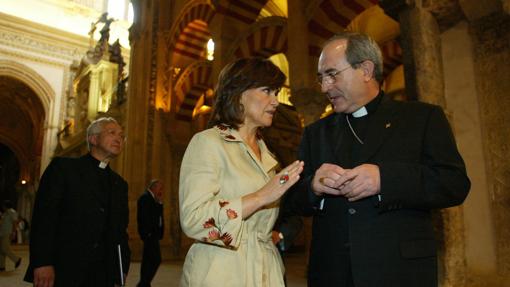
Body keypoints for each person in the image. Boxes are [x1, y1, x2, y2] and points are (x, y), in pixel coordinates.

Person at [287, 32, 471, 287]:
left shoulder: (421, 118)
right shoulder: (316, 133)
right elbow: (292, 200)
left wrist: (385, 179)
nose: (324, 87)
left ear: (365, 69)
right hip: (333, 273)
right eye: (321, 78)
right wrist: (313, 187)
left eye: (332, 74)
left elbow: (454, 184)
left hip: (399, 272)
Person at [179, 57, 304, 287]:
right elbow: (193, 219)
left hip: (267, 269)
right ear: (238, 94)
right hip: (221, 272)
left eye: (276, 92)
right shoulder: (208, 142)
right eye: (267, 90)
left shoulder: (268, 155)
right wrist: (261, 197)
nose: (276, 101)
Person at [24, 117, 131, 287]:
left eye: (122, 135)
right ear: (93, 139)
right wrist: (42, 262)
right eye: (112, 133)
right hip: (65, 269)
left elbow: (120, 231)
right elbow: (44, 217)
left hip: (103, 274)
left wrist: (121, 268)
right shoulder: (64, 169)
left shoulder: (120, 184)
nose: (119, 138)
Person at [137, 179, 164, 287]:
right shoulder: (145, 198)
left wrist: (159, 203)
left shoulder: (154, 198)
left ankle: (144, 283)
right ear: (154, 187)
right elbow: (144, 217)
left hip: (153, 235)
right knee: (154, 259)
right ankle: (143, 283)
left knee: (150, 260)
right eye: (160, 188)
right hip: (149, 235)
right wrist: (147, 233)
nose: (162, 190)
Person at [0, 200, 21, 271]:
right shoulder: (5, 213)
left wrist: (13, 232)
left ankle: (16, 259)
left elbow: (15, 222)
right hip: (2, 233)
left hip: (7, 232)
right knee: (1, 250)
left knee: (5, 248)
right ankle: (1, 266)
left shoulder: (12, 212)